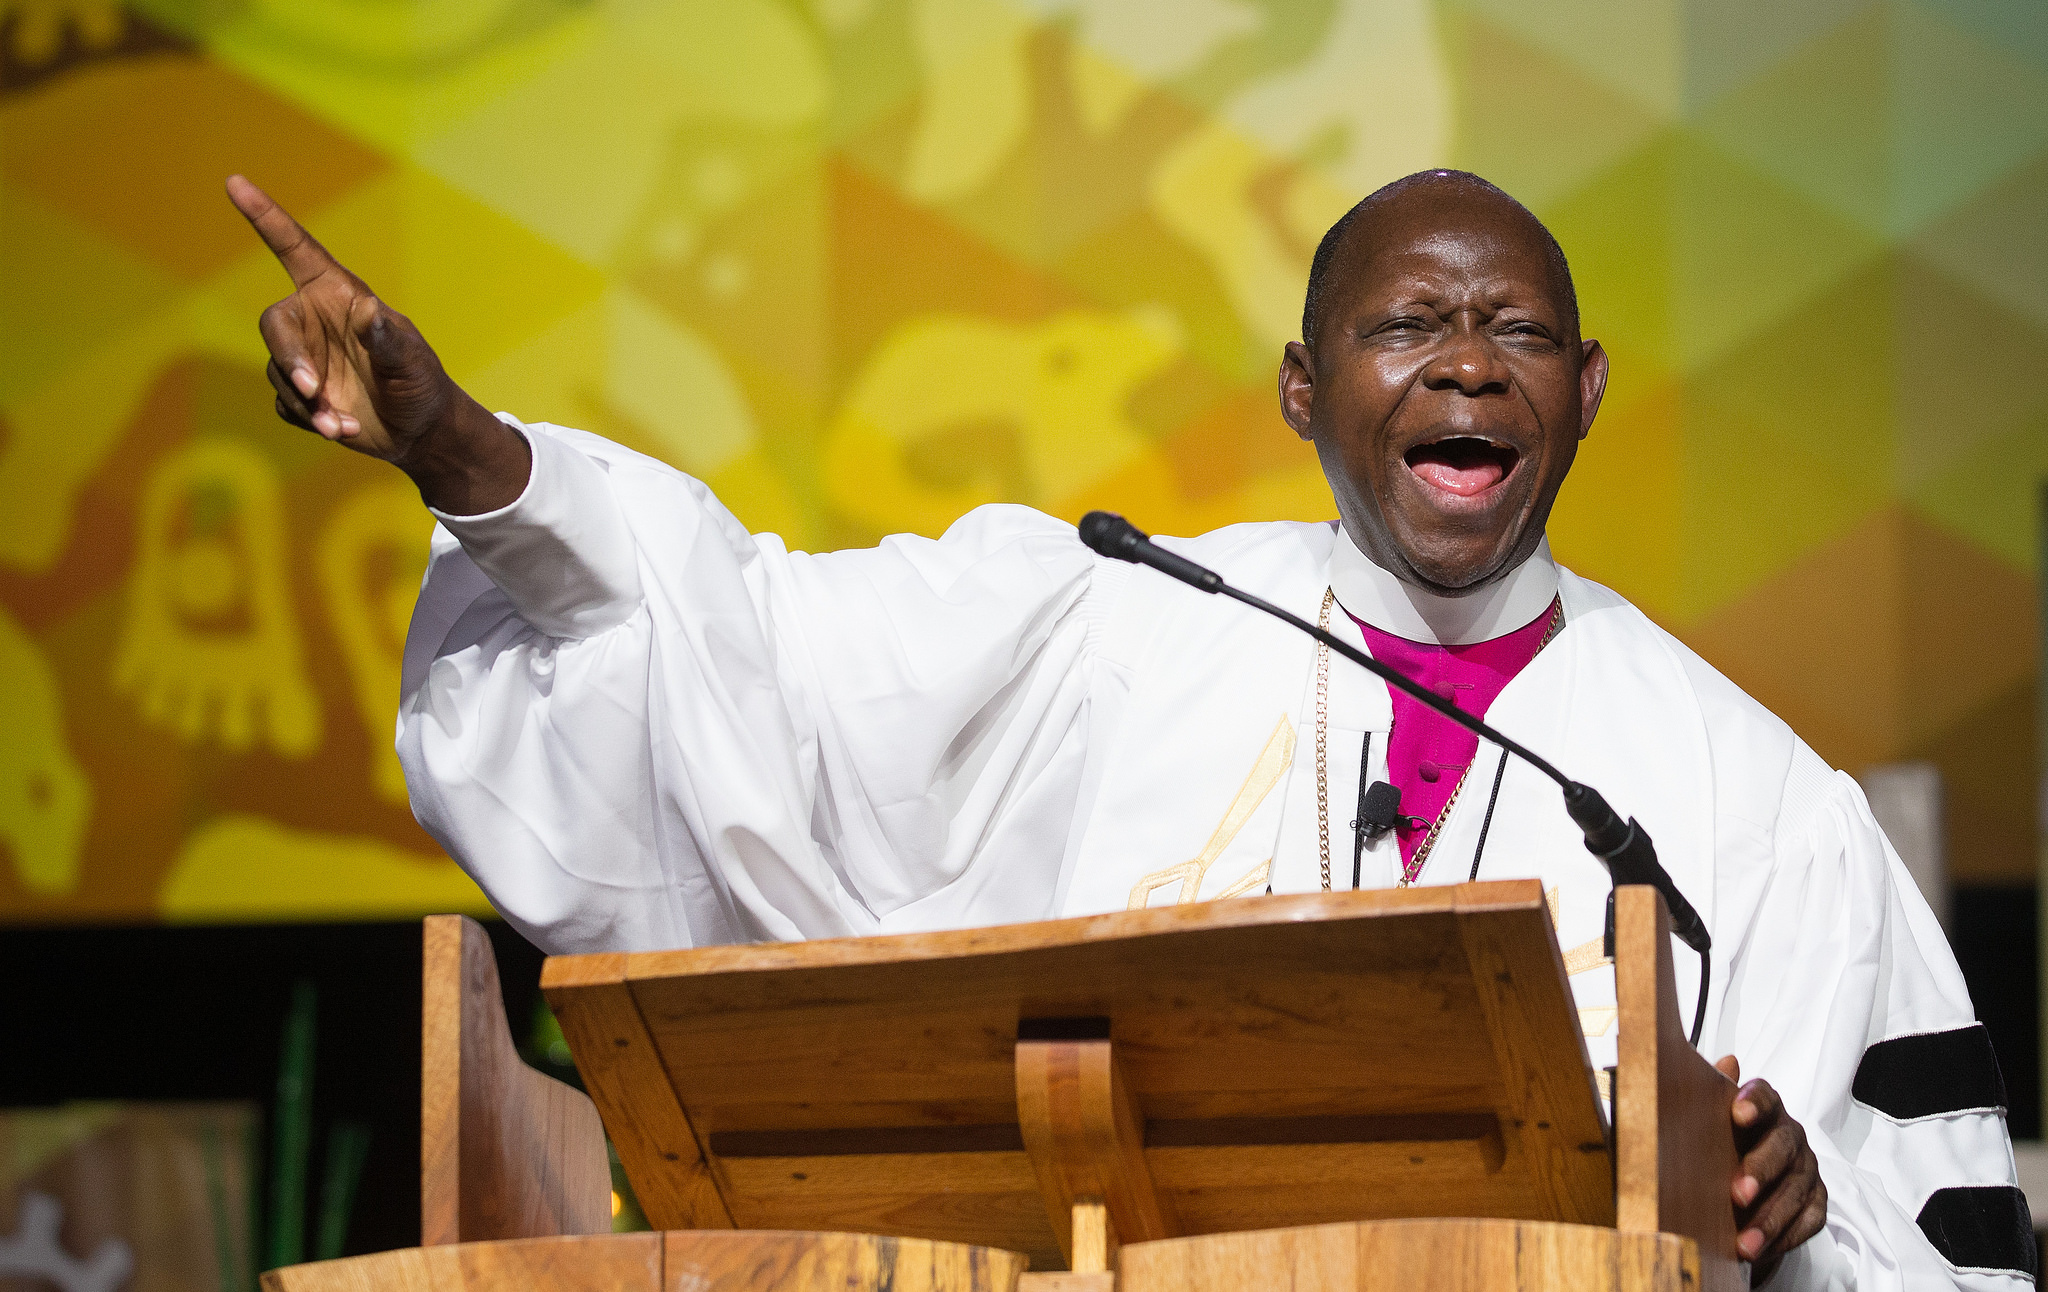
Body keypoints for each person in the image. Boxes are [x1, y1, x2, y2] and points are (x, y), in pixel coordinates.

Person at [226, 169, 2027, 1289]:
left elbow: (1939, 1252)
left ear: (1586, 391)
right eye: (1409, 323)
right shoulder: (1115, 619)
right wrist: (465, 450)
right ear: (1308, 391)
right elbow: (737, 653)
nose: (1468, 363)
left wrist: (1793, 1226)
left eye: (1518, 331)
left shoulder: (1754, 793)